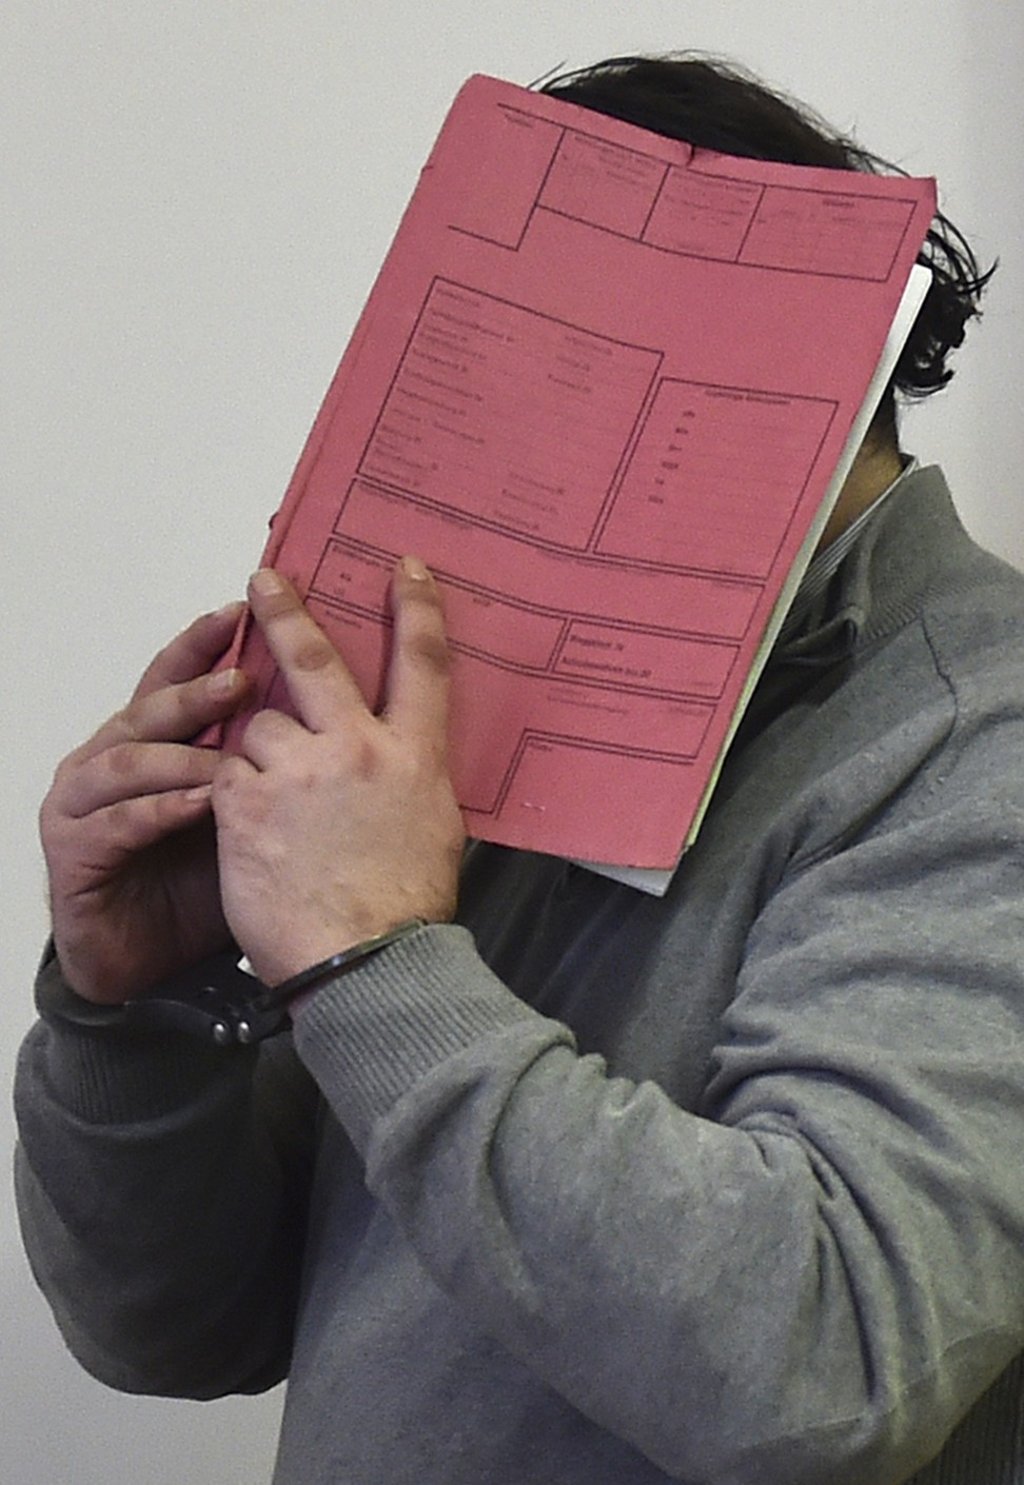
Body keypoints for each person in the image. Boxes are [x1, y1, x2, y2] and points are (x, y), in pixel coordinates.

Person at [14, 54, 1024, 1485]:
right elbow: (181, 1332)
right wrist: (144, 1008)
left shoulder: (982, 730)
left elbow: (830, 1359)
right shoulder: (492, 715)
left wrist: (373, 959)